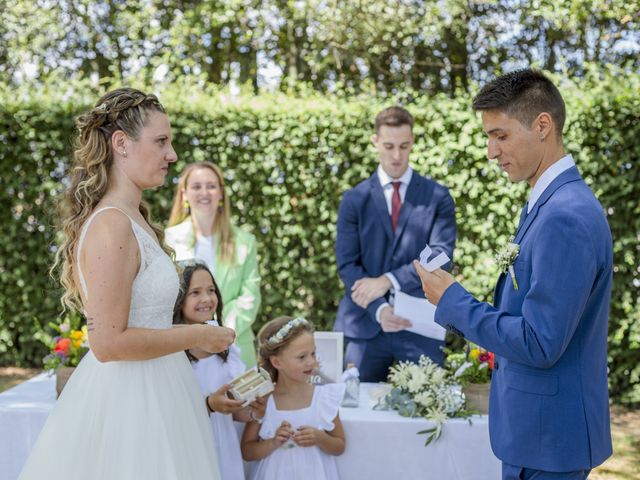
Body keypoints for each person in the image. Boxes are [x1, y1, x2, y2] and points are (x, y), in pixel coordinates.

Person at [20, 88, 236, 480]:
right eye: (161, 142)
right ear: (121, 143)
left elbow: (145, 324)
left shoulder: (134, 219)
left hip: (163, 389)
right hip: (130, 404)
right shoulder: (112, 225)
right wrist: (196, 335)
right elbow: (108, 343)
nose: (171, 155)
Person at [414, 69, 613, 480]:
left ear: (543, 125)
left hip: (549, 440)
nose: (491, 151)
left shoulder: (565, 216)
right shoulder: (549, 204)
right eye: (489, 137)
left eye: (500, 135)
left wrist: (453, 299)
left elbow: (541, 342)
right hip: (536, 433)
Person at [334, 105, 457, 382]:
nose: (397, 156)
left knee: (427, 417)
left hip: (420, 327)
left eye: (404, 146)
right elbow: (347, 265)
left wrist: (388, 280)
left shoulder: (438, 197)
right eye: (389, 146)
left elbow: (441, 255)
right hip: (364, 326)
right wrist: (379, 308)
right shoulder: (354, 199)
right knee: (354, 414)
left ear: (412, 141)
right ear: (375, 141)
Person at [173, 260, 267, 480]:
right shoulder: (171, 353)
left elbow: (236, 412)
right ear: (178, 300)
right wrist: (208, 405)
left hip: (223, 447)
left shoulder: (226, 348)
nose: (207, 299)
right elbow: (170, 406)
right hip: (188, 444)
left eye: (211, 290)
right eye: (195, 292)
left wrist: (254, 410)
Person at [165, 161, 261, 367]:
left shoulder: (245, 242)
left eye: (211, 186)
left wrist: (220, 331)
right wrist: (198, 335)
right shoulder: (168, 240)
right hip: (184, 350)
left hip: (235, 344)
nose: (204, 193)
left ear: (221, 193)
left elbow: (249, 297)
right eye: (196, 186)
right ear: (184, 194)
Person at [241, 316, 346, 480]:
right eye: (302, 357)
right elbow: (247, 451)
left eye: (313, 353)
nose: (311, 361)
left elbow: (339, 445)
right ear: (277, 362)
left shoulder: (323, 397)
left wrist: (320, 438)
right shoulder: (264, 401)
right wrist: (273, 442)